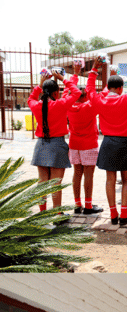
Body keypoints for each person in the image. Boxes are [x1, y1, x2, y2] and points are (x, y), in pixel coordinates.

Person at [87, 50, 127, 226]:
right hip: (123, 143)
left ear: (108, 88)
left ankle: (113, 215)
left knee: (110, 179)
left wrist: (94, 68)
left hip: (107, 142)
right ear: (121, 88)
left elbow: (90, 90)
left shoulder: (100, 101)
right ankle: (124, 215)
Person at [29, 70, 80, 212]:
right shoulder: (61, 104)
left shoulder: (36, 105)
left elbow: (31, 98)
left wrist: (40, 85)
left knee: (42, 183)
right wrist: (62, 78)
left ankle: (42, 213)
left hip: (41, 145)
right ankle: (57, 214)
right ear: (56, 93)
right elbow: (76, 93)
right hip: (57, 145)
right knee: (56, 184)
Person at [67, 86, 103, 215]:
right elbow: (102, 96)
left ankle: (77, 204)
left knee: (77, 174)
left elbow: (67, 92)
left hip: (74, 144)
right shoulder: (89, 107)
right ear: (84, 96)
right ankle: (88, 205)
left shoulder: (68, 107)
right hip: (88, 144)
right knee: (88, 175)